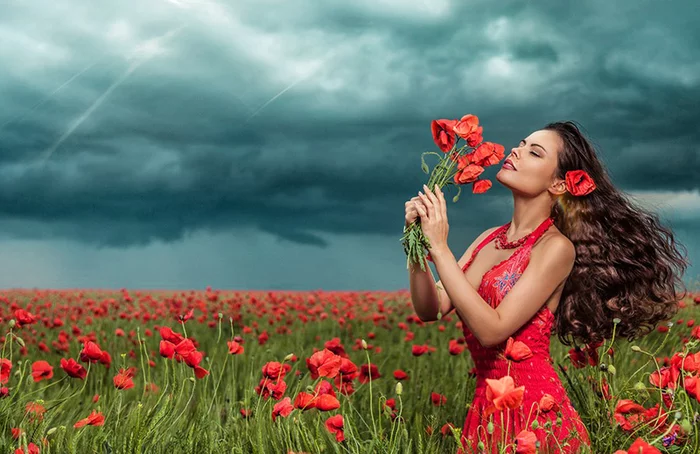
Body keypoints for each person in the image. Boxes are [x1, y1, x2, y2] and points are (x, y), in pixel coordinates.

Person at [404, 121, 690, 453]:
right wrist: (416, 247)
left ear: (557, 183)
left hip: (535, 413)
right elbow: (431, 308)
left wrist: (440, 248)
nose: (516, 151)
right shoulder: (486, 240)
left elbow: (492, 330)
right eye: (521, 143)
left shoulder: (555, 249)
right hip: (486, 407)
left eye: (534, 152)